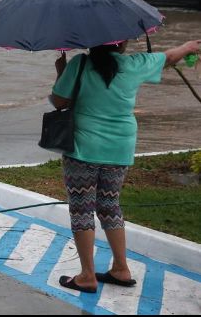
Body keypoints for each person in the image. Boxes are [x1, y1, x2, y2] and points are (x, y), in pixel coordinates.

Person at [50, 39, 201, 293]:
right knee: (110, 205)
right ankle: (121, 268)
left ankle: (87, 275)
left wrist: (62, 74)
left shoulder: (80, 63)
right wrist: (189, 47)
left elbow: (59, 102)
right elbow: (170, 57)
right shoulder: (136, 63)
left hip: (83, 149)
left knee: (82, 210)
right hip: (119, 148)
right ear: (123, 43)